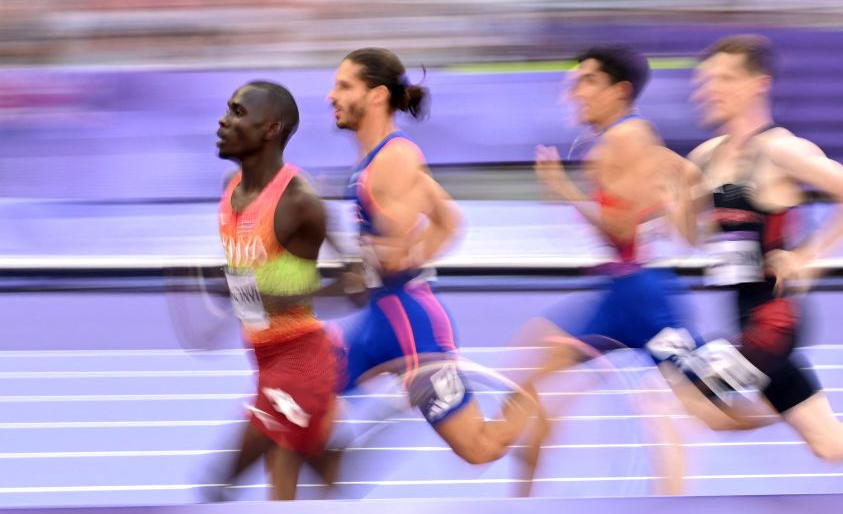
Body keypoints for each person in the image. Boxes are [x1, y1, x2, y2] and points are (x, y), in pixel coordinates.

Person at [678, 34, 843, 461]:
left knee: (676, 400)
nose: (709, 89)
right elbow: (693, 239)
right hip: (743, 319)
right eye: (704, 80)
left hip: (773, 325)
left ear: (759, 84)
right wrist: (676, 200)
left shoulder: (781, 150)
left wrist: (805, 255)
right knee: (832, 446)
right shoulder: (704, 157)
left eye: (724, 78)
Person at [327, 47, 536, 466]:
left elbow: (393, 255)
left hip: (411, 329)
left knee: (479, 448)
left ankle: (535, 407)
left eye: (343, 85)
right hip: (380, 319)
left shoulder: (396, 160)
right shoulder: (375, 160)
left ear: (376, 96)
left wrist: (324, 237)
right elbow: (448, 219)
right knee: (300, 412)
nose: (331, 95)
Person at [518, 45, 704, 495]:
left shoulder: (624, 139)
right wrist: (673, 205)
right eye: (573, 82)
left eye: (587, 82)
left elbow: (621, 228)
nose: (575, 92)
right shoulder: (630, 139)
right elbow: (688, 177)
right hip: (622, 290)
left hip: (644, 298)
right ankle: (523, 497)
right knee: (533, 384)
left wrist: (564, 188)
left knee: (701, 407)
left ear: (619, 91)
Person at [211, 81, 339, 499]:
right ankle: (330, 453)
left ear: (271, 129)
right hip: (263, 359)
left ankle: (329, 444)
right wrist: (232, 289)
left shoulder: (301, 201)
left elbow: (358, 281)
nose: (223, 120)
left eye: (238, 112)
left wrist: (280, 301)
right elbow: (250, 269)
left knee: (221, 483)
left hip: (300, 363)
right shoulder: (231, 187)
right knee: (286, 495)